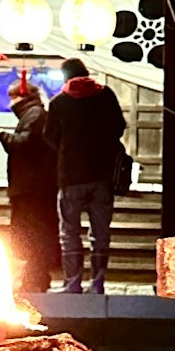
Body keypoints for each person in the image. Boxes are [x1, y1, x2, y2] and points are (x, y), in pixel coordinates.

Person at [44, 56, 126, 294]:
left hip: (70, 176)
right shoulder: (106, 95)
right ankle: (97, 283)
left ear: (65, 77)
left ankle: (73, 283)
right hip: (102, 176)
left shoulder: (59, 102)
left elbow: (49, 136)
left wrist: (67, 147)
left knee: (69, 231)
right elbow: (118, 127)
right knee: (100, 232)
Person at [0, 75, 61, 294]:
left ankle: (35, 279)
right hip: (32, 187)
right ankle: (32, 278)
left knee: (32, 234)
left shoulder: (35, 116)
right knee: (30, 234)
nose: (10, 104)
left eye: (12, 98)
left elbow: (26, 144)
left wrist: (3, 137)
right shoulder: (34, 114)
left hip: (32, 188)